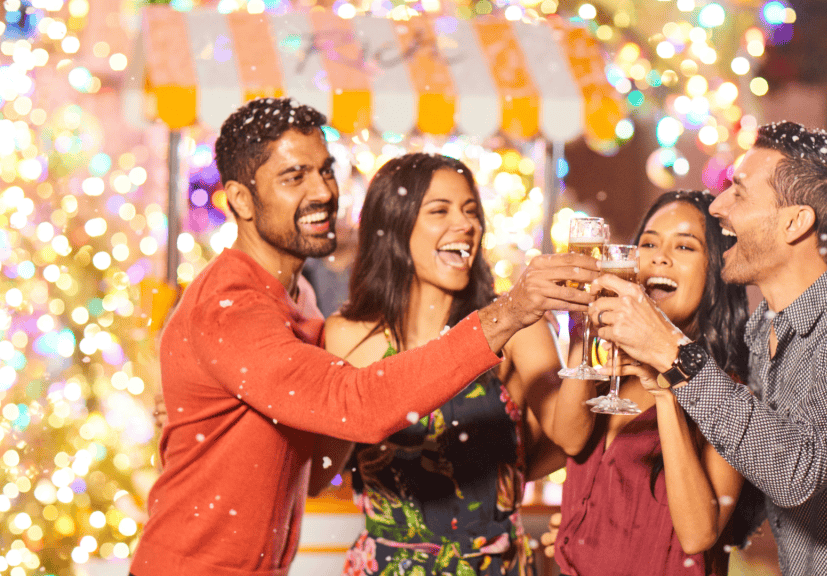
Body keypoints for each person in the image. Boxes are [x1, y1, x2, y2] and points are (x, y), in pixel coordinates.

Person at [129, 98, 599, 576]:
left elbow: (316, 443)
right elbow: (356, 404)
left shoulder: (301, 300)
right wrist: (508, 313)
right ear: (241, 200)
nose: (323, 191)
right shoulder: (232, 306)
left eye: (325, 170)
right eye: (294, 177)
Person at [590, 121, 827, 575]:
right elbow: (749, 489)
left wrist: (675, 353)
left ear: (795, 223)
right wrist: (593, 531)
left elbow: (796, 472)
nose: (717, 206)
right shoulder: (759, 333)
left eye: (739, 192)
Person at [324, 152, 592, 575]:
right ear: (393, 225)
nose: (465, 224)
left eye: (470, 210)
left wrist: (582, 332)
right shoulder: (348, 335)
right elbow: (320, 466)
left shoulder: (516, 323)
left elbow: (571, 438)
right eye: (440, 210)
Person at [545, 191, 759, 576]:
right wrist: (591, 323)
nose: (660, 257)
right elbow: (569, 439)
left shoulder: (729, 394)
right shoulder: (608, 369)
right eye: (648, 243)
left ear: (716, 270)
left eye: (684, 246)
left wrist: (666, 393)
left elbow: (698, 535)